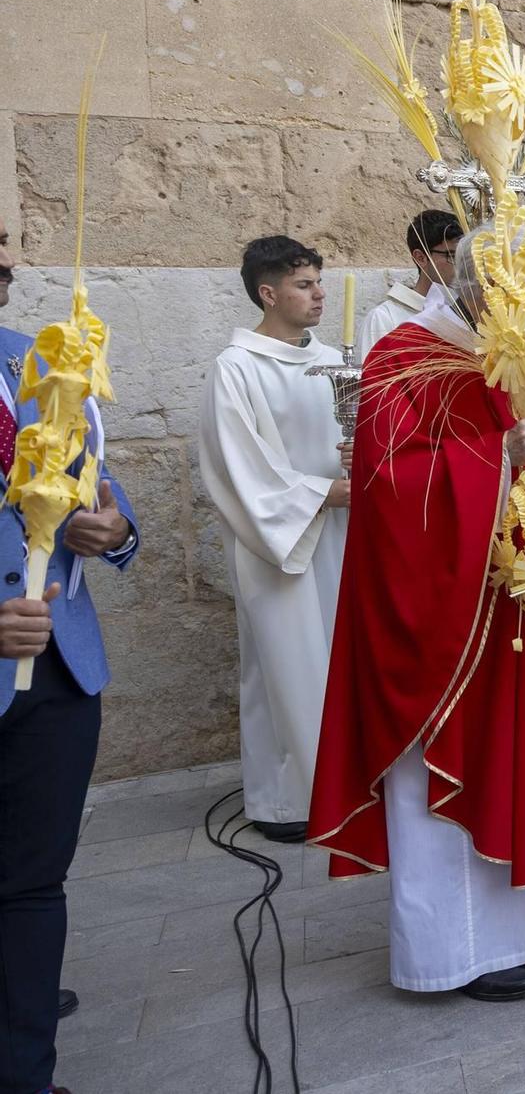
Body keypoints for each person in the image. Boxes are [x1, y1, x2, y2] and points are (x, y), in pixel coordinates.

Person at [309, 224, 525, 1003]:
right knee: (459, 766)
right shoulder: (407, 356)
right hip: (451, 617)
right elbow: (389, 487)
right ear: (473, 286)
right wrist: (497, 458)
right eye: (519, 290)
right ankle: (460, 949)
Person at [0, 224, 139, 1094]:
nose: (8, 263)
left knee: (31, 882)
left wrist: (117, 528)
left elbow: (102, 484)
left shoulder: (35, 361)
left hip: (57, 669)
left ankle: (25, 1073)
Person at [197, 237, 350, 843]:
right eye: (305, 285)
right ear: (268, 293)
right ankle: (289, 800)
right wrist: (323, 494)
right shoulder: (236, 369)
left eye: (318, 282)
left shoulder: (335, 359)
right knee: (285, 666)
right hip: (279, 543)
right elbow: (239, 468)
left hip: (342, 535)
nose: (318, 295)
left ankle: (349, 783)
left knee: (340, 658)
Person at [355, 211, 462, 360]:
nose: (462, 265)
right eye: (451, 256)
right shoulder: (384, 319)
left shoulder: (467, 315)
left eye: (464, 256)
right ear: (421, 258)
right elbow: (373, 380)